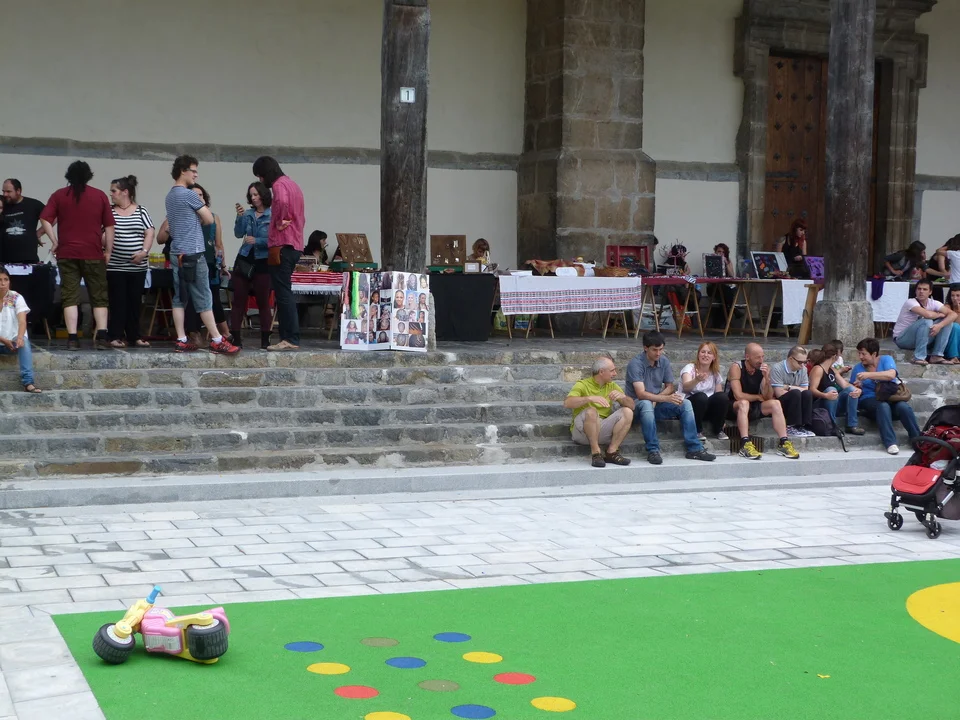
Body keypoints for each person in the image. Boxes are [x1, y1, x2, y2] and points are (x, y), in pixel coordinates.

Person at [164, 155, 239, 354]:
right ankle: (217, 339)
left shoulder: (170, 195)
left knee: (179, 297)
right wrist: (198, 217)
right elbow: (209, 219)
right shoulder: (189, 195)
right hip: (193, 252)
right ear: (183, 171)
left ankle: (181, 339)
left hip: (176, 251)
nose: (196, 175)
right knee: (204, 296)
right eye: (193, 171)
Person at [39, 161, 114, 351]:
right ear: (89, 175)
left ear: (68, 176)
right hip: (93, 253)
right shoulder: (99, 195)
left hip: (67, 253)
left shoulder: (59, 195)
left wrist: (54, 240)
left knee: (70, 296)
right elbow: (109, 227)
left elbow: (45, 218)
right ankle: (102, 337)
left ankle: (72, 338)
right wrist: (108, 251)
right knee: (99, 295)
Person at [626, 331, 716, 465]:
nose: (658, 353)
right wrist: (662, 399)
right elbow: (640, 394)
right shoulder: (636, 364)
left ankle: (694, 448)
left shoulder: (664, 361)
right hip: (636, 406)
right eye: (654, 350)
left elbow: (670, 387)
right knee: (646, 404)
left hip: (657, 403)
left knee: (685, 403)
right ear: (645, 348)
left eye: (661, 349)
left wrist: (658, 398)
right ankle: (653, 450)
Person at [253, 156, 305, 351]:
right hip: (294, 244)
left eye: (260, 175)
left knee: (283, 294)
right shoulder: (293, 185)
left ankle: (289, 338)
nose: (260, 180)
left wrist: (279, 220)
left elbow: (282, 201)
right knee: (285, 292)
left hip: (282, 245)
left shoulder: (279, 185)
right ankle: (290, 337)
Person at [725, 343, 799, 460]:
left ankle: (784, 442)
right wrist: (758, 397)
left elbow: (767, 397)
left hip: (753, 405)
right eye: (757, 357)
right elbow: (738, 395)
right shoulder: (737, 367)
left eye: (762, 357)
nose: (761, 361)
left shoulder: (762, 369)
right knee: (744, 403)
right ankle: (745, 443)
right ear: (747, 357)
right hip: (733, 406)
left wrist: (767, 379)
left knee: (775, 403)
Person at [105, 175, 154, 348]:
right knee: (117, 301)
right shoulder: (109, 211)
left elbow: (149, 232)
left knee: (134, 301)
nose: (111, 194)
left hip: (137, 267)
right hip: (115, 266)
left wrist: (143, 252)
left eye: (114, 191)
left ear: (125, 192)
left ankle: (135, 335)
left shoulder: (141, 211)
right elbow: (102, 233)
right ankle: (115, 335)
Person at [850, 337, 920, 455]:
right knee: (883, 406)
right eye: (859, 353)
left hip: (890, 397)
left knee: (904, 407)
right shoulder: (858, 368)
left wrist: (868, 375)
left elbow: (891, 375)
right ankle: (890, 442)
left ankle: (917, 439)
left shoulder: (886, 359)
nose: (860, 357)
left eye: (863, 354)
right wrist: (857, 388)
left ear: (874, 354)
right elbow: (853, 386)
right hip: (869, 400)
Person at [564, 356, 634, 468]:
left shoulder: (612, 386)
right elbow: (567, 403)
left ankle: (611, 452)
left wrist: (623, 397)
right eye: (612, 370)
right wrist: (589, 398)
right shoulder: (582, 384)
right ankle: (596, 453)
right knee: (591, 411)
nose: (615, 374)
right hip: (581, 433)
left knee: (628, 412)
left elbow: (632, 406)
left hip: (601, 429)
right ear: (601, 372)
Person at [231, 182, 273, 350]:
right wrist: (240, 217)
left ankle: (265, 339)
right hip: (245, 258)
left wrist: (258, 240)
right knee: (238, 300)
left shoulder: (273, 215)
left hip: (263, 260)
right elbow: (238, 233)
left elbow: (275, 240)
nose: (253, 198)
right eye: (251, 195)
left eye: (256, 194)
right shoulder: (248, 214)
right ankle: (236, 338)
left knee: (263, 301)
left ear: (264, 195)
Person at [192, 184, 230, 341]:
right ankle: (195, 333)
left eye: (201, 195)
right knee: (195, 298)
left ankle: (225, 333)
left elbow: (218, 244)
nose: (199, 198)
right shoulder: (188, 217)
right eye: (195, 195)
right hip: (193, 261)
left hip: (210, 262)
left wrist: (223, 265)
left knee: (214, 297)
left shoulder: (214, 217)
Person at [891, 278, 956, 365]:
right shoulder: (910, 302)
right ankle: (919, 357)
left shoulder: (934, 303)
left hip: (920, 337)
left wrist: (940, 325)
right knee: (926, 321)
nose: (921, 291)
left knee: (947, 322)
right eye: (919, 289)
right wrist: (938, 314)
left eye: (925, 289)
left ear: (930, 292)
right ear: (916, 291)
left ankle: (936, 355)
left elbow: (953, 314)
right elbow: (927, 315)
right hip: (902, 339)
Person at [0, 265, 40, 393]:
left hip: (12, 343)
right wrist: (3, 340)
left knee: (25, 342)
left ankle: (28, 382)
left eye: (6, 279)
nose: (3, 283)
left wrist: (20, 337)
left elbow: (22, 321)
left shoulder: (16, 297)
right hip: (2, 341)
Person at [808, 344, 864, 435]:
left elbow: (845, 384)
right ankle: (832, 425)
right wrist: (825, 395)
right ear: (834, 356)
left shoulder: (832, 370)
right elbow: (812, 390)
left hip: (833, 401)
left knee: (852, 390)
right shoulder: (818, 369)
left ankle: (851, 425)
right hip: (819, 404)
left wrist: (858, 390)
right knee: (831, 389)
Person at [680, 341, 730, 441]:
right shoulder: (689, 368)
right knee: (701, 397)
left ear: (714, 357)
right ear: (698, 354)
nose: (705, 355)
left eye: (709, 353)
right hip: (690, 407)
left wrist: (722, 417)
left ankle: (718, 429)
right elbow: (686, 387)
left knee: (723, 397)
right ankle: (697, 430)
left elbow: (719, 395)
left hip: (706, 408)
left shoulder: (715, 373)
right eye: (703, 352)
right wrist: (697, 380)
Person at [769, 346, 815, 437]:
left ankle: (804, 425)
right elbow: (779, 393)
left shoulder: (803, 369)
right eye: (800, 362)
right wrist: (795, 390)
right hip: (780, 403)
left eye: (805, 362)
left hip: (796, 399)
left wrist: (788, 387)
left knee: (807, 394)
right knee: (796, 394)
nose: (803, 365)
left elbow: (805, 389)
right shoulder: (777, 368)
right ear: (791, 359)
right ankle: (791, 426)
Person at [1, 179, 47, 264]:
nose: (5, 194)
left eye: (8, 191)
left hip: (28, 258)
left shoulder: (33, 204)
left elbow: (52, 217)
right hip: (4, 259)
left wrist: (39, 233)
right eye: (3, 191)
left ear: (18, 191)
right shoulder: (2, 204)